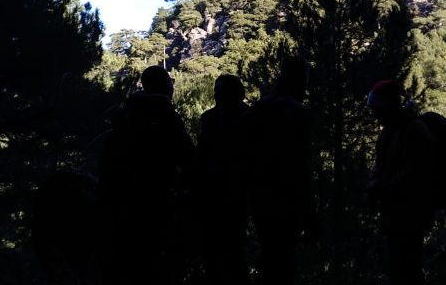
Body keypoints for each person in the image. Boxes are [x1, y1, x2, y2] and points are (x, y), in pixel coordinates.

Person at [96, 65, 197, 285]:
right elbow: (187, 156)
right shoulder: (166, 116)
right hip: (154, 199)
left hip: (119, 200)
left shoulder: (126, 113)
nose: (173, 85)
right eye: (169, 81)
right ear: (162, 85)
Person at [241, 56, 317, 285]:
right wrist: (309, 212)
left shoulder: (260, 108)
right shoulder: (296, 112)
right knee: (284, 260)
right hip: (286, 198)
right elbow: (299, 165)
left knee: (268, 256)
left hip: (260, 197)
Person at [365, 80, 437, 285]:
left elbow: (417, 171)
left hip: (411, 211)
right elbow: (380, 164)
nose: (375, 115)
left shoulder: (414, 130)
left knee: (407, 265)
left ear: (390, 107)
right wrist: (374, 184)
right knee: (398, 265)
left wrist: (383, 187)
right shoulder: (390, 130)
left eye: (378, 109)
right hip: (394, 209)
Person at [198, 74, 251, 285]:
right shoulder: (248, 117)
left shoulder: (211, 119)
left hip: (228, 192)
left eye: (220, 92)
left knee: (227, 250)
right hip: (226, 193)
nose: (217, 96)